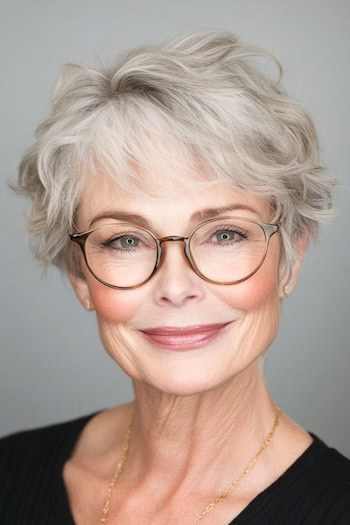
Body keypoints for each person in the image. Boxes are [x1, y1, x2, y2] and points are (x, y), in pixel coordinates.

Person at [1, 31, 349, 525]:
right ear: (80, 275)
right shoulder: (9, 474)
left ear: (290, 257)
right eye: (126, 240)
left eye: (225, 234)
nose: (176, 286)